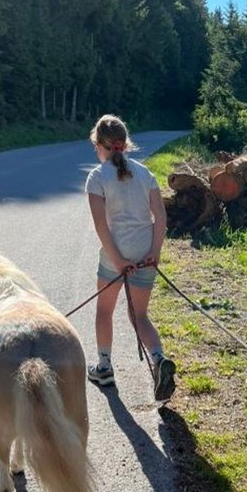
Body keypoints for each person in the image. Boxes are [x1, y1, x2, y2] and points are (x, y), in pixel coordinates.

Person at [83, 114, 176, 400]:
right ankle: (159, 359)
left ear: (99, 145)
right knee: (140, 315)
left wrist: (118, 260)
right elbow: (160, 216)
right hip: (144, 252)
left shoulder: (97, 177)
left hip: (116, 255)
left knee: (104, 311)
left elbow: (101, 225)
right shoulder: (144, 173)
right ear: (125, 144)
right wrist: (154, 252)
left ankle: (104, 365)